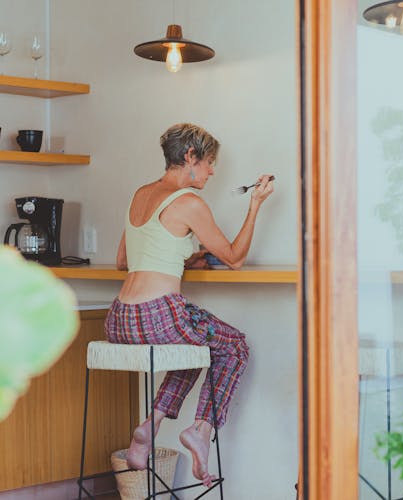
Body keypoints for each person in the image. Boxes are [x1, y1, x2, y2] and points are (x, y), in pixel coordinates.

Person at [104, 123, 274, 487]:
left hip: (120, 318)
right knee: (235, 347)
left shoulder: (140, 194)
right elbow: (234, 258)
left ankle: (151, 427)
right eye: (210, 162)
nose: (213, 171)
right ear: (190, 157)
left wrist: (184, 258)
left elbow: (123, 261)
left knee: (193, 347)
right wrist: (255, 205)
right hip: (157, 314)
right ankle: (199, 429)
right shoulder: (189, 202)